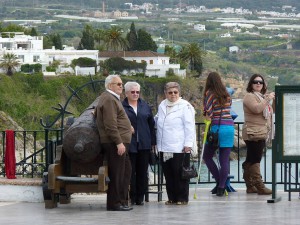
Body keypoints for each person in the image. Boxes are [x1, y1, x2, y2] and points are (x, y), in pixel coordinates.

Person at [94, 74, 133, 211]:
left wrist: (128, 127)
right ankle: (114, 204)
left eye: (121, 84)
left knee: (125, 171)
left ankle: (122, 201)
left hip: (120, 141)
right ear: (110, 85)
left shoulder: (110, 98)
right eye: (118, 84)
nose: (121, 86)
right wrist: (118, 142)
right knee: (117, 173)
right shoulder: (109, 99)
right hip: (115, 143)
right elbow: (110, 124)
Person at [156, 82, 196, 205]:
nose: (173, 94)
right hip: (164, 146)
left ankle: (182, 198)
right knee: (168, 174)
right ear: (165, 94)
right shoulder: (162, 105)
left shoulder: (185, 106)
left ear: (179, 93)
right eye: (170, 92)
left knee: (180, 174)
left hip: (179, 147)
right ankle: (172, 197)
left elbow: (189, 126)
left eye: (175, 92)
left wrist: (188, 144)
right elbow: (157, 119)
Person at [122, 81, 156, 206]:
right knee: (130, 172)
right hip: (129, 145)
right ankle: (132, 195)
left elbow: (151, 125)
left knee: (142, 172)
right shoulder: (121, 106)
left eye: (137, 92)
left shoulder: (145, 106)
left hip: (144, 145)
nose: (135, 94)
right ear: (126, 93)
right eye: (132, 92)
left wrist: (153, 142)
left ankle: (140, 197)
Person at [202, 72, 235, 197]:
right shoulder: (227, 94)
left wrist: (205, 112)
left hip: (217, 128)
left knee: (207, 155)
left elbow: (209, 113)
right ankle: (221, 187)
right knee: (224, 159)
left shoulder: (210, 94)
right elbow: (228, 109)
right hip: (229, 127)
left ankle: (218, 181)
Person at [242, 74, 275, 195]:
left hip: (261, 132)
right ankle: (259, 186)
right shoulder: (249, 96)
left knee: (251, 159)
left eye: (260, 82)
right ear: (251, 84)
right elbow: (256, 109)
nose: (258, 84)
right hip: (253, 133)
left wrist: (273, 100)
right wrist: (267, 99)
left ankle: (250, 185)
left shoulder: (261, 97)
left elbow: (272, 111)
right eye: (255, 82)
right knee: (256, 159)